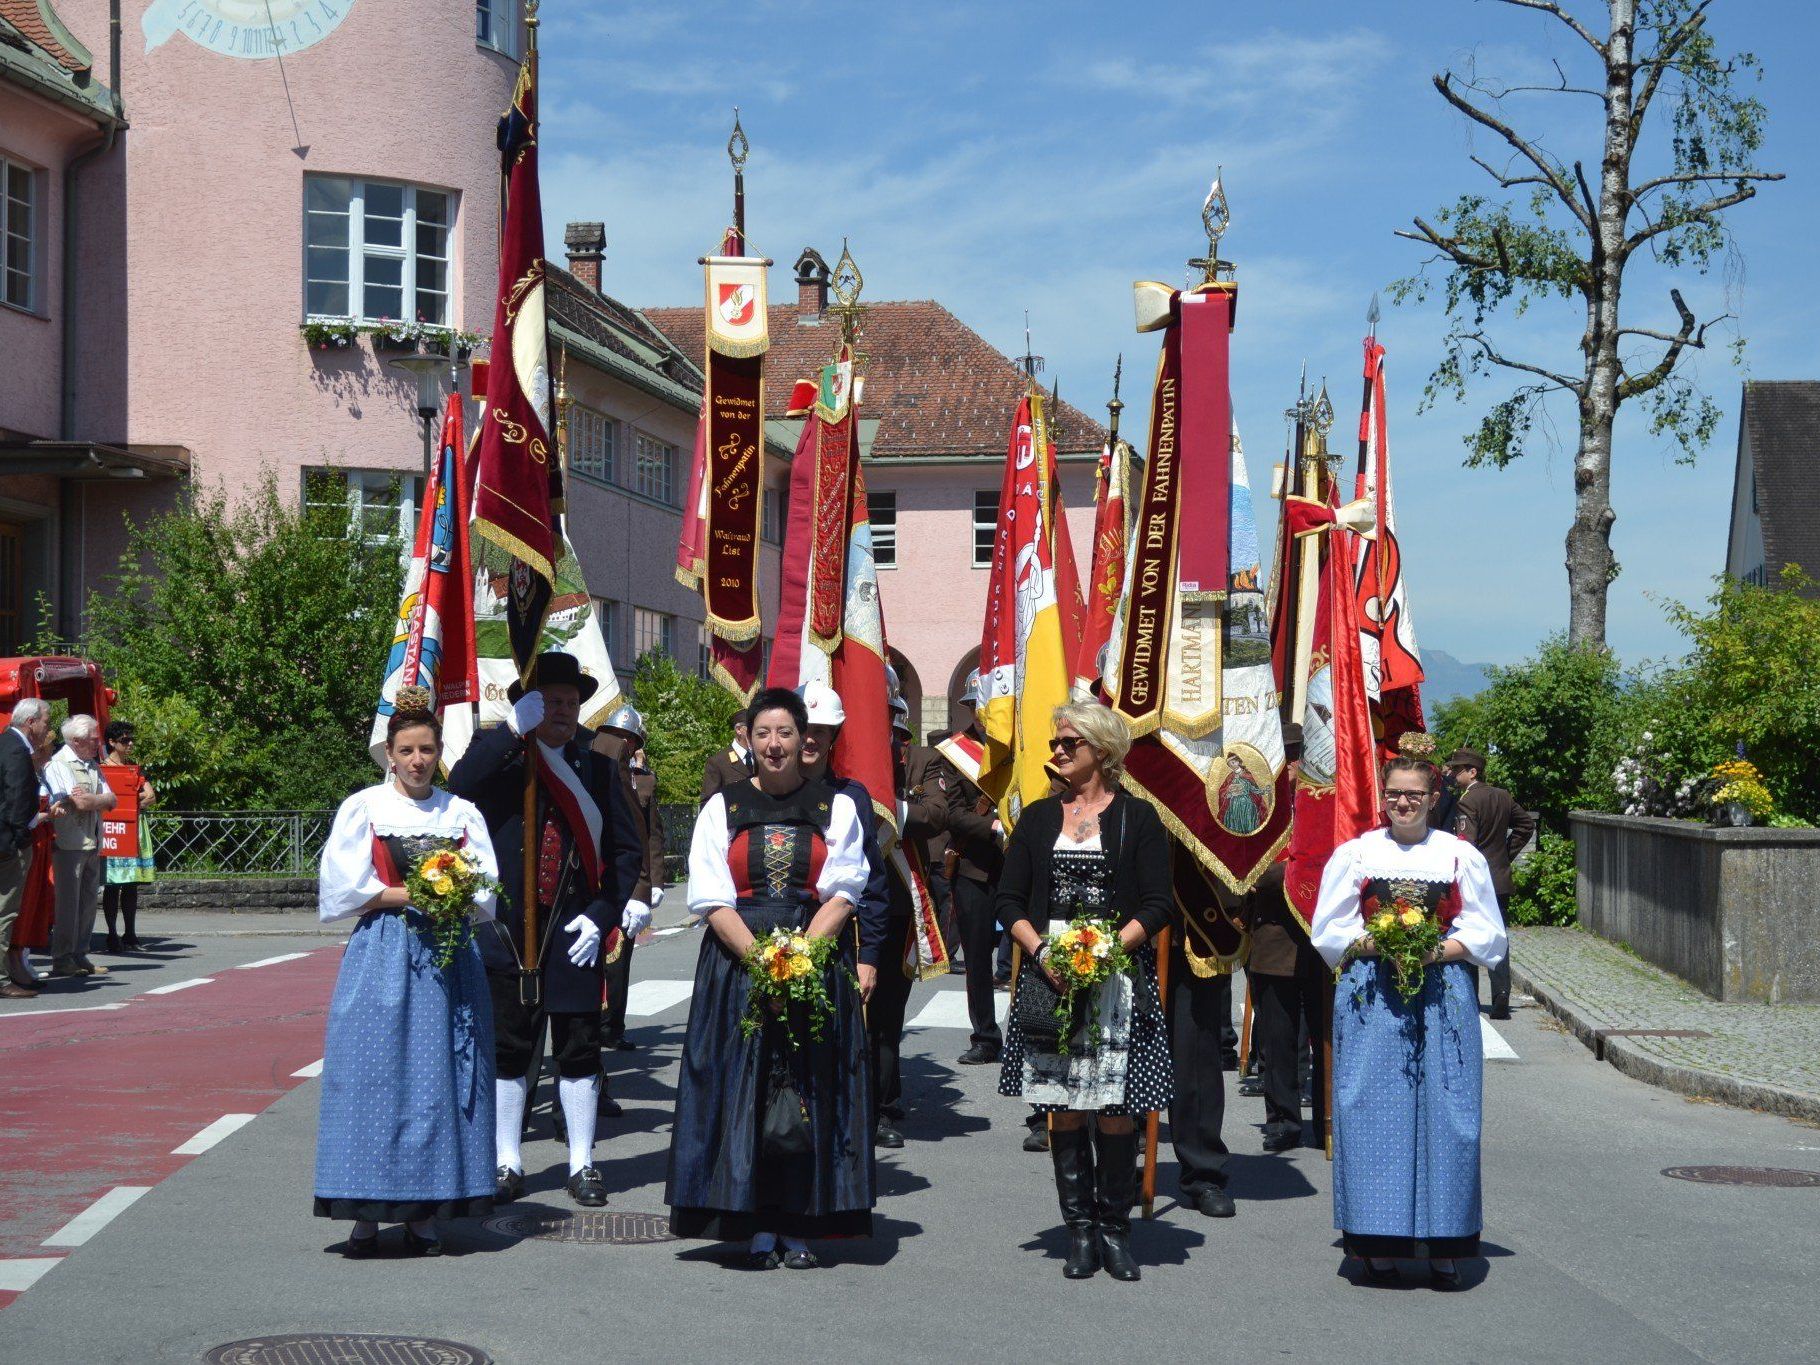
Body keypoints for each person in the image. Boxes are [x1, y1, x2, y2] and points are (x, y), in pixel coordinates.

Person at [665, 686, 874, 1268]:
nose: (774, 744)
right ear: (747, 739)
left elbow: (845, 890)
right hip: (739, 961)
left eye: (785, 733)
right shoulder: (722, 808)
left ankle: (800, 1222)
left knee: (809, 1087)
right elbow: (710, 896)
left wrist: (801, 956)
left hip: (815, 952)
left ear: (804, 740)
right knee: (744, 1089)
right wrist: (764, 961)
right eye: (763, 734)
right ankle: (754, 1222)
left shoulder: (836, 807)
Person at [447, 651, 644, 1210]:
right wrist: (511, 730)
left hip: (574, 930)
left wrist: (603, 914)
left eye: (568, 701)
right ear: (530, 706)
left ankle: (583, 1163)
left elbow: (625, 853)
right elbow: (460, 785)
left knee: (580, 1048)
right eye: (549, 701)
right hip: (511, 929)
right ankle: (508, 1161)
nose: (560, 710)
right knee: (509, 1049)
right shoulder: (507, 760)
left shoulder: (598, 767)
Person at [1311, 754, 1508, 1290]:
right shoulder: (1356, 855)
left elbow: (1487, 931)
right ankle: (1377, 1242)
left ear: (1434, 798)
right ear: (1382, 797)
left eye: (1415, 795)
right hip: (1372, 992)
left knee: (1448, 1111)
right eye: (1395, 793)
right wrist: (1386, 943)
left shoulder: (1458, 856)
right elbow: (1329, 930)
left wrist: (1434, 951)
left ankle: (1446, 1242)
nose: (1403, 803)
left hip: (1442, 991)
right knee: (1370, 1107)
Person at [313, 693, 500, 1257]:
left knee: (439, 1081)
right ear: (389, 755)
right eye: (406, 750)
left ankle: (424, 1211)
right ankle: (366, 1212)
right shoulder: (364, 807)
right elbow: (344, 888)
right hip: (385, 951)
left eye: (427, 749)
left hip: (448, 957)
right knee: (374, 1076)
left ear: (440, 752)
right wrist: (416, 892)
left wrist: (455, 893)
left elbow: (488, 890)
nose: (417, 759)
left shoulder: (460, 812)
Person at [998, 703, 1173, 1282]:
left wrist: (1104, 952)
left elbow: (1157, 904)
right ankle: (1078, 1231)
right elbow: (1009, 902)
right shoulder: (1039, 818)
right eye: (1056, 741)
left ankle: (1115, 1230)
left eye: (1069, 741)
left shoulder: (1138, 819)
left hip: (1116, 978)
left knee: (1117, 1114)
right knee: (1066, 1112)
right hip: (1051, 977)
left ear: (1102, 749)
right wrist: (1046, 954)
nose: (1058, 750)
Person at [1444, 748, 1536, 1020]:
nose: (1453, 773)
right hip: (1499, 878)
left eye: (1458, 769)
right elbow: (1526, 825)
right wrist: (1506, 854)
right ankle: (1501, 995)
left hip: (1475, 880)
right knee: (1499, 936)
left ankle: (1470, 995)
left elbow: (1466, 844)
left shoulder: (1468, 801)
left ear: (1473, 772)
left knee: (1467, 935)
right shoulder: (1502, 795)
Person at [943, 672, 1005, 1066]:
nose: (984, 714)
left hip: (1020, 865)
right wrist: (995, 826)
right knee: (978, 958)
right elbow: (953, 814)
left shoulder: (1024, 746)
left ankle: (1031, 1033)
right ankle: (985, 1035)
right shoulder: (955, 752)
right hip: (975, 869)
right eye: (977, 708)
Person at [1244, 859, 1325, 1153]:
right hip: (1275, 941)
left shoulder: (1329, 815)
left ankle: (1327, 1121)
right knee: (1277, 1040)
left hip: (1324, 943)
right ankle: (1283, 1121)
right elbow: (1249, 869)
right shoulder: (1271, 814)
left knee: (1328, 1039)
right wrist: (1299, 867)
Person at [595, 703, 662, 1053]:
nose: (622, 744)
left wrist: (650, 885)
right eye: (618, 737)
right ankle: (595, 1025)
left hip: (624, 883)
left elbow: (649, 834)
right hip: (597, 881)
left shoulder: (644, 780)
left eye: (628, 738)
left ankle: (613, 1025)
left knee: (618, 963)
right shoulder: (594, 770)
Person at [44, 714, 117, 978]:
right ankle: (62, 958)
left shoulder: (91, 765)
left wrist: (94, 798)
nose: (98, 743)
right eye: (93, 739)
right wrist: (98, 799)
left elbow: (112, 799)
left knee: (87, 903)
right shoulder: (59, 764)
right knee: (68, 905)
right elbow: (80, 803)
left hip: (91, 842)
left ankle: (79, 954)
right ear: (76, 741)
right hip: (69, 843)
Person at [0, 698, 49, 998]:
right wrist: (20, 839)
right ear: (30, 722)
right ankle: (2, 979)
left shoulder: (5, 743)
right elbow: (16, 799)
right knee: (5, 912)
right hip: (9, 845)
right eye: (46, 721)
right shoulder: (17, 750)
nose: (48, 728)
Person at [101, 722, 156, 954]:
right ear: (112, 742)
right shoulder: (102, 768)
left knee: (131, 884)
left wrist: (134, 802)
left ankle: (130, 933)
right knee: (113, 884)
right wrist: (132, 801)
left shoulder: (134, 768)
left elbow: (150, 796)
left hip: (133, 826)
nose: (130, 743)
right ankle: (112, 934)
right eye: (125, 740)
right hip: (113, 827)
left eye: (131, 739)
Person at [699, 707, 755, 800]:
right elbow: (707, 802)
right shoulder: (718, 762)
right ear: (738, 730)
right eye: (752, 728)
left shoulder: (761, 758)